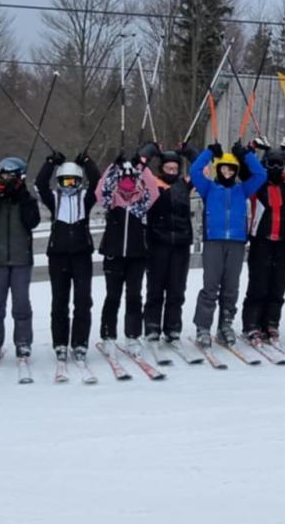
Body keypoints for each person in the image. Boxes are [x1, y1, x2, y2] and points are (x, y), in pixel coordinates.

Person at [189, 142, 265, 345]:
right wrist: (209, 153)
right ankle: (203, 327)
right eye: (223, 169)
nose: (227, 173)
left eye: (231, 170)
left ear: (236, 171)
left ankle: (226, 324)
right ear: (218, 169)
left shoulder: (242, 189)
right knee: (210, 286)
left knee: (231, 287)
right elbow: (194, 171)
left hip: (236, 243)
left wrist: (246, 155)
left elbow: (261, 175)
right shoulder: (208, 188)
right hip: (214, 241)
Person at [35, 152, 102, 363]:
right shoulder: (54, 199)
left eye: (73, 181)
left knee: (83, 301)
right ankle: (60, 343)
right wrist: (50, 163)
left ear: (80, 182)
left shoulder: (85, 199)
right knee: (59, 302)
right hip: (58, 257)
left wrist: (88, 163)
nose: (69, 185)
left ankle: (80, 342)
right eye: (65, 181)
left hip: (81, 256)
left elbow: (98, 184)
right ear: (59, 182)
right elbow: (40, 184)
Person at [0, 155, 40, 363]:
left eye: (12, 176)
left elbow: (32, 222)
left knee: (21, 304)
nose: (8, 180)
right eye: (5, 176)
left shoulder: (27, 199)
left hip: (21, 259)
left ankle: (23, 342)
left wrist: (22, 196)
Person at [96, 156, 160, 346]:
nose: (127, 183)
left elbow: (154, 190)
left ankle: (133, 335)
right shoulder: (112, 201)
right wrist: (112, 166)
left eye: (131, 179)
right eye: (123, 179)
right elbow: (99, 190)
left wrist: (142, 166)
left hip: (136, 256)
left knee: (134, 296)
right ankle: (108, 335)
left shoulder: (141, 203)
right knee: (112, 296)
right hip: (113, 256)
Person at [241, 148, 285, 343]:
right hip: (261, 240)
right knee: (258, 284)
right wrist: (250, 150)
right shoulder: (257, 183)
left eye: (279, 163)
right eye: (270, 163)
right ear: (264, 164)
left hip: (284, 241)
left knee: (278, 284)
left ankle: (271, 322)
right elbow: (243, 168)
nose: (275, 167)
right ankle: (252, 323)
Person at [143, 144, 194, 343]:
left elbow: (202, 168)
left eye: (175, 168)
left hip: (180, 243)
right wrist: (151, 151)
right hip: (158, 243)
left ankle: (172, 326)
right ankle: (152, 325)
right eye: (168, 168)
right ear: (161, 168)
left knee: (176, 288)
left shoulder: (184, 185)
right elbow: (139, 167)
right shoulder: (152, 184)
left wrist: (188, 151)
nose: (171, 172)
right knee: (156, 287)